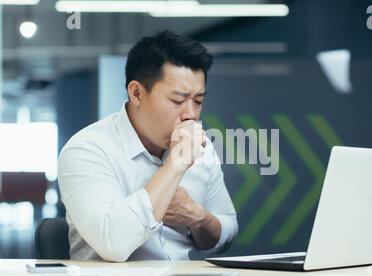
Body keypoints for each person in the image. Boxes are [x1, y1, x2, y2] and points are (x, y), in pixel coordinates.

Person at [57, 30, 238, 262]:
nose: (191, 114)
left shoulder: (201, 148)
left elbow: (227, 231)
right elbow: (113, 245)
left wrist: (197, 217)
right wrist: (175, 165)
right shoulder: (87, 150)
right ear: (136, 93)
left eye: (199, 101)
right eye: (177, 101)